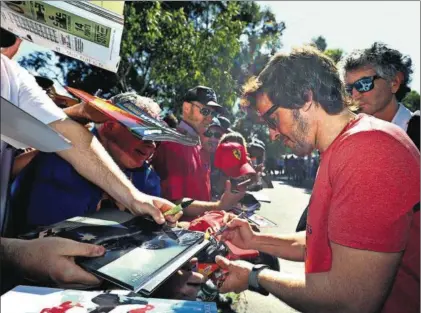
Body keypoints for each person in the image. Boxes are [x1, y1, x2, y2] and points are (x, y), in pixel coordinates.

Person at [215, 46, 420, 313]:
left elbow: (352, 300)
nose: (273, 134)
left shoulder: (368, 148)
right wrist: (254, 240)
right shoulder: (341, 146)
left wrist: (254, 276)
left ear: (305, 98)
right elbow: (322, 243)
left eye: (272, 119)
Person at [0, 34, 178, 289]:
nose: (151, 145)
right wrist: (19, 255)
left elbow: (69, 135)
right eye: (138, 130)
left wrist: (132, 196)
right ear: (108, 127)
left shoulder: (10, 76)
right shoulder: (55, 165)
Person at [10, 93, 172, 230]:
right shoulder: (60, 163)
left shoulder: (145, 176)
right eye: (143, 132)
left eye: (157, 139)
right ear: (109, 126)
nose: (151, 145)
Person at [152, 86, 244, 218]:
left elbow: (201, 196)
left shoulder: (201, 146)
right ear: (187, 108)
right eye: (206, 111)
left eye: (213, 114)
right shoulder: (173, 145)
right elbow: (173, 205)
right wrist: (219, 206)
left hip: (201, 228)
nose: (211, 118)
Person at [343, 42, 414, 131]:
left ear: (394, 82)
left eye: (364, 84)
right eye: (348, 89)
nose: (354, 95)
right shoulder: (350, 134)